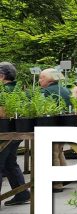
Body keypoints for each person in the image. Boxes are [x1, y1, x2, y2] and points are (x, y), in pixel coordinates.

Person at [0, 62, 30, 206]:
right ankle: (22, 193)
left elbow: (3, 113)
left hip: (4, 133)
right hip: (17, 132)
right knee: (10, 163)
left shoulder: (3, 91)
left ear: (1, 76)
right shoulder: (19, 90)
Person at [38, 68, 72, 193]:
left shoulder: (46, 91)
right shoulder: (66, 89)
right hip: (67, 124)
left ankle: (56, 184)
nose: (39, 80)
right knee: (58, 150)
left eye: (41, 77)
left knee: (53, 152)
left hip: (53, 125)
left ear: (49, 79)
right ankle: (65, 177)